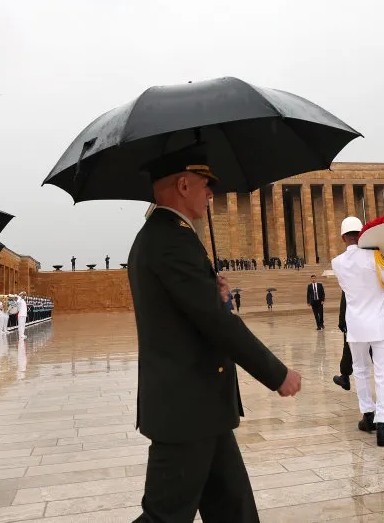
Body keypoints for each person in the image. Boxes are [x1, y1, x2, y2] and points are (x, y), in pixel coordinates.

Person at [127, 147, 301, 523]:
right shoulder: (172, 239)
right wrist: (277, 373)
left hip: (200, 406)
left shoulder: (164, 235)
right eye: (207, 187)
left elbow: (193, 312)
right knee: (164, 516)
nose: (211, 196)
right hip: (186, 408)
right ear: (184, 184)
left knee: (233, 510)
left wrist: (214, 292)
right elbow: (215, 324)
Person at [332, 216, 384, 447]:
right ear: (363, 233)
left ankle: (367, 416)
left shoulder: (337, 262)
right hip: (380, 324)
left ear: (342, 237)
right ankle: (383, 424)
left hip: (356, 326)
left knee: (360, 370)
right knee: (383, 373)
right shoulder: (375, 256)